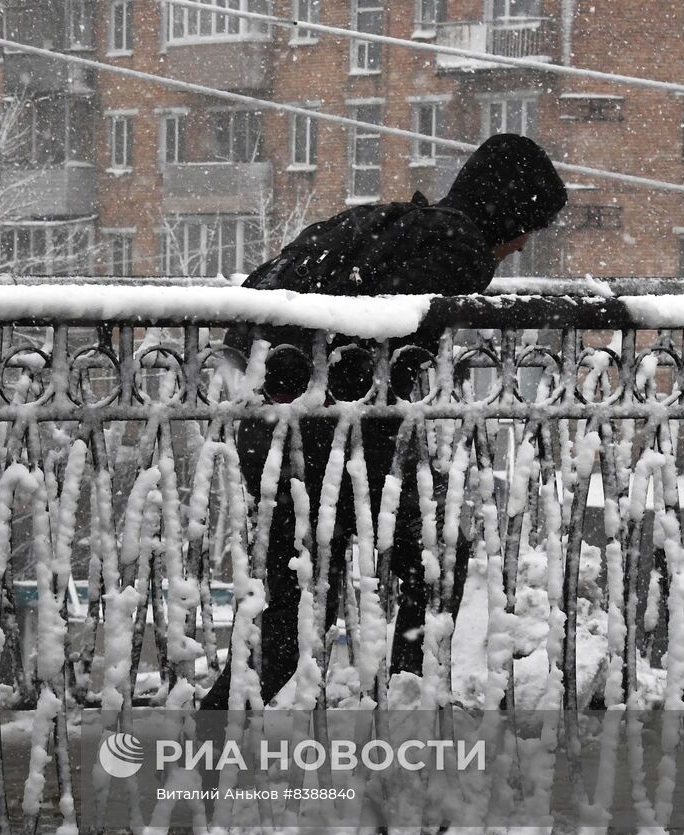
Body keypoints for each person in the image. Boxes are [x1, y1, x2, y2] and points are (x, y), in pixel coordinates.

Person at [201, 133, 568, 711]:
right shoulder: (459, 250)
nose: (521, 247)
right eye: (530, 226)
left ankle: (218, 731)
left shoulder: (393, 221)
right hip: (327, 437)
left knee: (301, 604)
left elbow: (271, 298)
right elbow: (376, 360)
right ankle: (399, 699)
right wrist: (386, 451)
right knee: (433, 555)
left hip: (274, 424)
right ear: (511, 211)